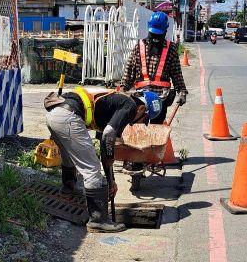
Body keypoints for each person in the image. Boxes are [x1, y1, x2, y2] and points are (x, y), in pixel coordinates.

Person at [45, 88, 162, 233]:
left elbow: (105, 145)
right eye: (144, 119)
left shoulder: (115, 101)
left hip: (54, 113)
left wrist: (110, 180)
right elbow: (108, 136)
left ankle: (68, 189)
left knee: (69, 156)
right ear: (142, 108)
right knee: (92, 168)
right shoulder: (130, 107)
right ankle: (98, 220)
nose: (133, 124)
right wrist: (108, 181)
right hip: (68, 116)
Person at [121, 12, 188, 121]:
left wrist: (182, 92)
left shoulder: (171, 49)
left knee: (156, 129)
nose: (156, 37)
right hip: (140, 98)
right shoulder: (139, 46)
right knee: (139, 128)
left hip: (160, 99)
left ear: (165, 31)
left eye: (159, 34)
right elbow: (129, 71)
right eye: (153, 33)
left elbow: (177, 74)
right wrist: (123, 89)